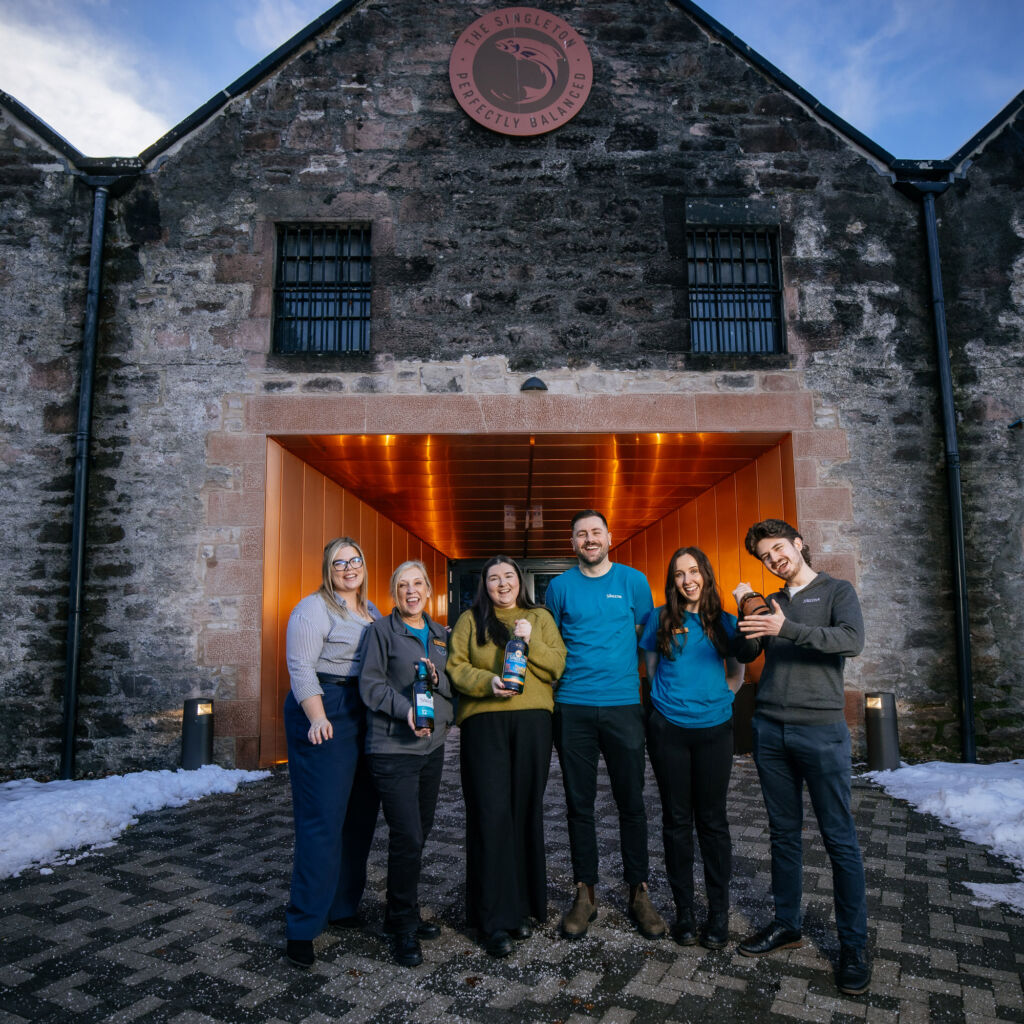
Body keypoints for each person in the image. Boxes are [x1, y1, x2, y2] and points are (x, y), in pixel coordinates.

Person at [732, 519, 870, 996]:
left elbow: (850, 641)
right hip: (770, 730)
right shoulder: (769, 603)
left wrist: (785, 627)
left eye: (777, 550)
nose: (774, 560)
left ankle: (854, 945)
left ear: (797, 543)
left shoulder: (836, 590)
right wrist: (744, 619)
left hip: (822, 731)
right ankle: (787, 924)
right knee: (784, 835)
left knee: (839, 841)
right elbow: (749, 652)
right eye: (765, 557)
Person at [545, 510, 666, 940]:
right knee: (579, 804)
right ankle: (586, 893)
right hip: (572, 707)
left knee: (631, 801)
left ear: (610, 537)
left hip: (623, 706)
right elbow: (551, 645)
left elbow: (646, 641)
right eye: (581, 534)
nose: (589, 539)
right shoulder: (558, 587)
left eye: (596, 532)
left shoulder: (633, 581)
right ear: (572, 541)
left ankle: (639, 891)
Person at [447, 556, 567, 957]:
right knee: (490, 813)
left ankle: (523, 908)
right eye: (494, 577)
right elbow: (455, 667)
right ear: (485, 584)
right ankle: (492, 919)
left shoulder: (540, 617)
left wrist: (528, 639)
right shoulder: (470, 619)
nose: (502, 583)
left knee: (524, 811)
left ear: (520, 581)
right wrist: (486, 682)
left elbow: (556, 666)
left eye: (509, 576)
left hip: (533, 722)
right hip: (485, 723)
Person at [640, 547, 760, 949]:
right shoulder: (659, 619)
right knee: (676, 821)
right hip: (668, 729)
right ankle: (686, 914)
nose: (687, 579)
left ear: (705, 575)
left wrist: (719, 700)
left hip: (714, 731)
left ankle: (718, 914)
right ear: (672, 581)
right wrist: (665, 707)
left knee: (712, 821)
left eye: (693, 571)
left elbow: (738, 673)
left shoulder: (725, 622)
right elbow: (653, 669)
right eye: (679, 574)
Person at [282, 537, 381, 970]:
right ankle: (303, 926)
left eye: (354, 560)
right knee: (321, 819)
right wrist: (317, 717)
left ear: (363, 565)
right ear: (328, 568)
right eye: (339, 562)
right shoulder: (312, 608)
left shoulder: (371, 610)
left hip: (365, 710)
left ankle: (342, 906)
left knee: (359, 816)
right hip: (327, 707)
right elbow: (301, 666)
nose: (348, 568)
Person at [359, 560, 455, 968]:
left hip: (430, 751)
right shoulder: (381, 631)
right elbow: (371, 685)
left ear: (429, 591)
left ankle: (405, 911)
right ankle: (400, 926)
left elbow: (451, 688)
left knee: (421, 833)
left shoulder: (439, 635)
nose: (411, 591)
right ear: (394, 593)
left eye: (418, 584)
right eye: (403, 585)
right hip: (392, 750)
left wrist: (436, 684)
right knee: (408, 837)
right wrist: (406, 711)